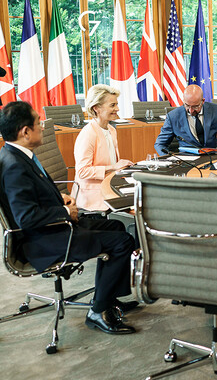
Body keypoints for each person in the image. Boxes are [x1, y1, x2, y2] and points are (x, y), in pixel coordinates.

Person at [0, 101, 138, 335]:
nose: (43, 127)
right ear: (25, 132)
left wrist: (59, 198)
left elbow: (32, 196)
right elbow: (26, 217)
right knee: (123, 242)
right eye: (38, 123)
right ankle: (98, 312)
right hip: (44, 240)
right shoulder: (15, 166)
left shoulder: (15, 155)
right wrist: (64, 212)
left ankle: (107, 297)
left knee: (116, 226)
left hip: (52, 228)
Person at [72, 85, 133, 211]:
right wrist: (113, 167)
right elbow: (82, 171)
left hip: (109, 185)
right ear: (96, 108)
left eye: (116, 104)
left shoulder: (111, 129)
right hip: (93, 196)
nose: (117, 109)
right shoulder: (88, 134)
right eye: (112, 105)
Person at [154, 84, 217, 154]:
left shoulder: (215, 110)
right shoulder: (173, 116)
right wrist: (171, 159)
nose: (191, 110)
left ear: (203, 101)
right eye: (187, 105)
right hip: (187, 160)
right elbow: (160, 144)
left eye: (195, 107)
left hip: (213, 156)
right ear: (183, 100)